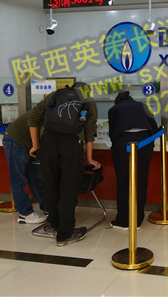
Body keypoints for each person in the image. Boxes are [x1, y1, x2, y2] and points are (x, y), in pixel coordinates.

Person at [28, 82, 100, 246]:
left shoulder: (55, 95)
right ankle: (65, 234)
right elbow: (90, 131)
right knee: (68, 188)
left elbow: (33, 117)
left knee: (51, 185)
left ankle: (54, 225)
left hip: (48, 142)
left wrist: (35, 145)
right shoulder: (88, 100)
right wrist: (89, 159)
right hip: (71, 144)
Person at [108, 90, 158, 230]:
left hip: (124, 144)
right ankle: (138, 219)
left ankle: (124, 221)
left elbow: (113, 133)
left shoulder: (114, 110)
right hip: (145, 143)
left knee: (124, 182)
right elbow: (154, 128)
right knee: (141, 181)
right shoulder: (143, 106)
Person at [2, 110, 47, 224]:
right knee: (18, 179)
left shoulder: (55, 110)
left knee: (35, 178)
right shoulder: (51, 111)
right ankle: (24, 213)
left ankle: (47, 207)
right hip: (16, 141)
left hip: (28, 143)